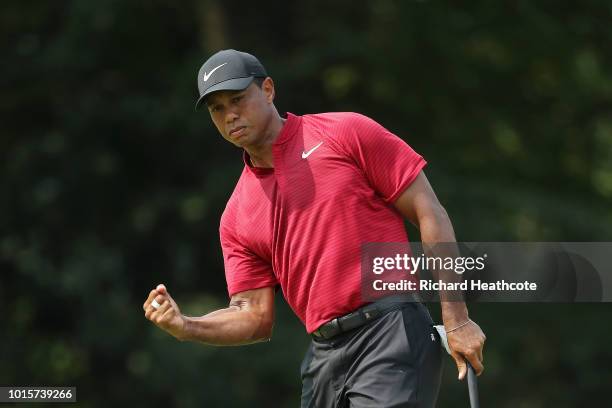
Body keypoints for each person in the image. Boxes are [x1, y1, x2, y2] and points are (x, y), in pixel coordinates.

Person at [143, 49, 486, 407]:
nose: (230, 114)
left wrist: (457, 319)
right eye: (217, 108)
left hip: (390, 331)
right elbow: (254, 316)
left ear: (269, 90)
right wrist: (186, 326)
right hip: (324, 356)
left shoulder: (345, 132)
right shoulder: (236, 214)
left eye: (238, 99)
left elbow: (429, 212)